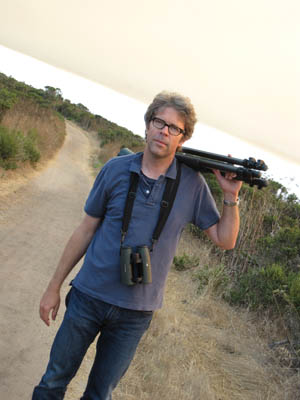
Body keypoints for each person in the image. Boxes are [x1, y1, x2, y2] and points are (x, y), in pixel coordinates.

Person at [32, 91, 242, 399]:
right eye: (159, 122)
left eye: (174, 128)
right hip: (88, 297)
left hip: (135, 315)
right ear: (147, 125)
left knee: (99, 394)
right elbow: (85, 230)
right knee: (53, 381)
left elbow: (225, 240)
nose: (164, 131)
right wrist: (53, 287)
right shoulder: (116, 170)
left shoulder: (192, 185)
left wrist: (230, 196)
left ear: (182, 139)